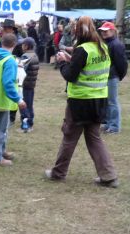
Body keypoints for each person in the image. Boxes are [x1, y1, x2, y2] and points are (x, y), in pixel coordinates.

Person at [45, 16, 118, 188]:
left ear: (77, 32)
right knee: (94, 138)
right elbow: (89, 68)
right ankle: (109, 176)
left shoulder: (82, 49)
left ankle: (58, 173)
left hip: (80, 102)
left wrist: (62, 62)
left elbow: (71, 75)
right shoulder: (103, 48)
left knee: (69, 137)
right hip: (99, 101)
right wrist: (72, 60)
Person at [0, 33, 26, 166]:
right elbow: (8, 83)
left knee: (1, 128)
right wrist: (19, 100)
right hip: (1, 99)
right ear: (14, 45)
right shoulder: (9, 61)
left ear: (1, 42)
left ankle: (1, 151)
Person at [98, 22, 128, 134]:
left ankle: (114, 126)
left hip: (111, 77)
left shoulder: (116, 45)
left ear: (112, 31)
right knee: (105, 101)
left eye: (106, 31)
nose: (103, 33)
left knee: (112, 102)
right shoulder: (105, 43)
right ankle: (107, 123)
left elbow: (122, 64)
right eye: (102, 31)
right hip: (105, 76)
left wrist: (119, 75)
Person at [19, 37, 39, 132]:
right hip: (31, 84)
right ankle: (30, 122)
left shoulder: (26, 56)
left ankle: (26, 126)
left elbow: (21, 70)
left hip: (25, 85)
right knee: (29, 104)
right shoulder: (34, 55)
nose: (21, 46)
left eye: (23, 44)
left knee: (23, 105)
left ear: (26, 46)